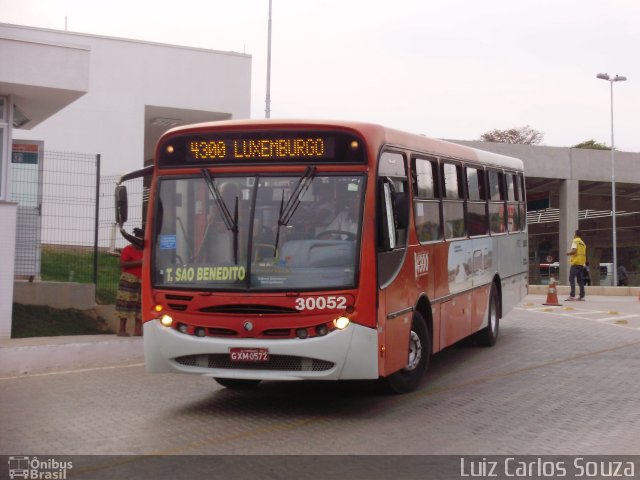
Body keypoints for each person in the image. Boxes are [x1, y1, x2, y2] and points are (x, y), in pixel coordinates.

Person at [115, 228, 144, 336]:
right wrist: (139, 262)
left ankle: (138, 330)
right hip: (128, 280)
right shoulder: (128, 249)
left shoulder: (146, 250)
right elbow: (123, 264)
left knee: (140, 305)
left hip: (142, 280)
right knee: (125, 304)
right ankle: (122, 329)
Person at [565, 229, 586, 301]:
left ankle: (572, 295)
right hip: (581, 263)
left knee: (571, 279)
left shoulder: (575, 241)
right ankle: (582, 296)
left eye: (574, 233)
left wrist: (568, 253)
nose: (573, 234)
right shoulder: (582, 243)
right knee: (580, 280)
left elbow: (574, 251)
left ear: (576, 234)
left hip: (576, 263)